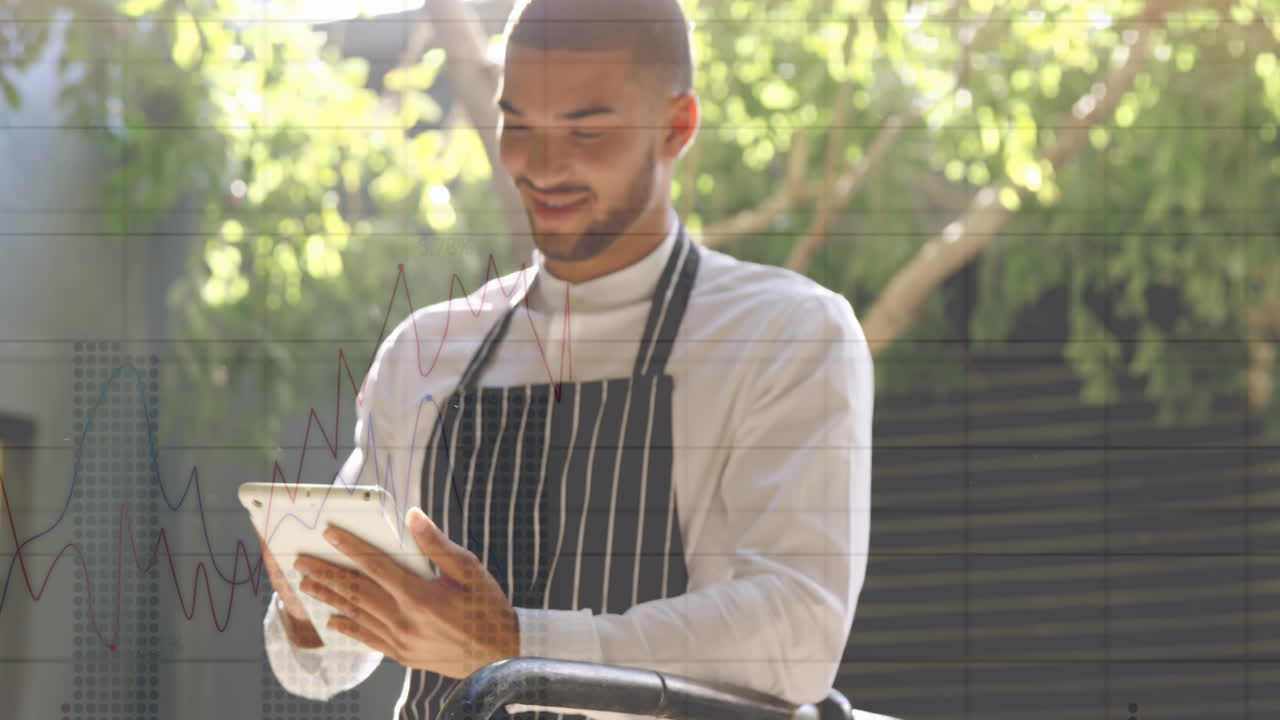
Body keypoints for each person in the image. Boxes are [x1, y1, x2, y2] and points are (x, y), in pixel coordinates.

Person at [258, 0, 874, 718]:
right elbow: (328, 663)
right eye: (517, 124)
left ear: (677, 127)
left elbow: (797, 633)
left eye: (586, 128)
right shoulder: (427, 354)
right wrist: (313, 607)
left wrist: (516, 644)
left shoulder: (785, 334)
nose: (541, 165)